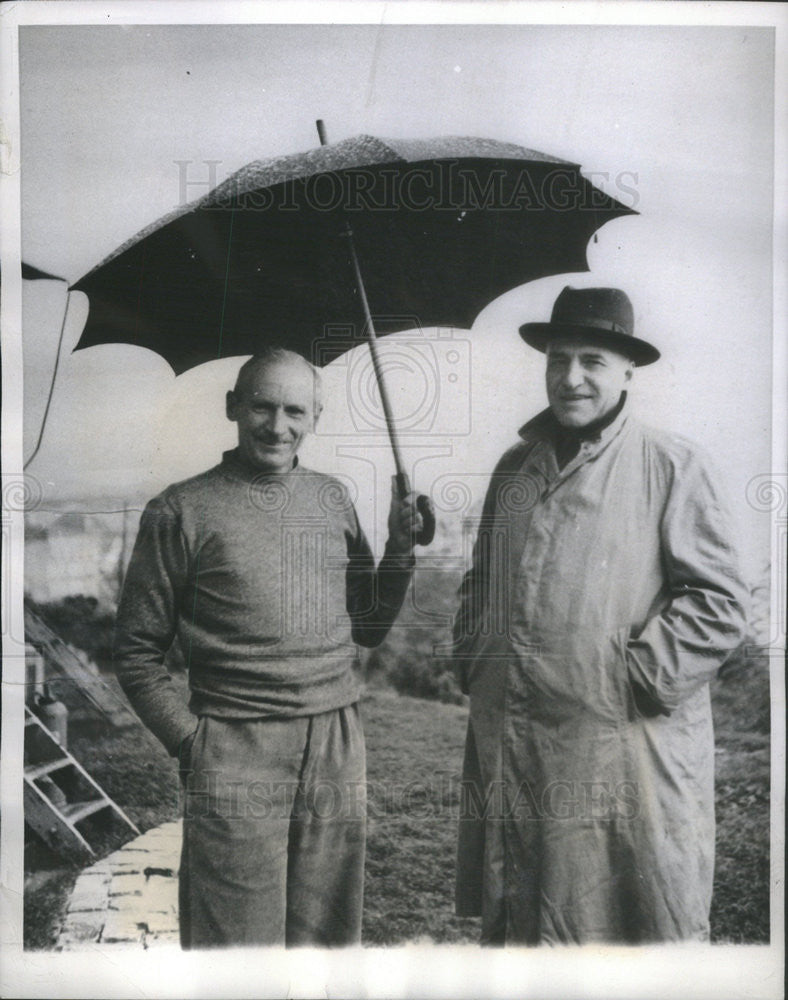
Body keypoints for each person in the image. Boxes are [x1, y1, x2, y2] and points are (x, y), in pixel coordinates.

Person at [453, 286, 748, 944]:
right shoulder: (514, 470)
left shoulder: (673, 465)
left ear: (626, 371)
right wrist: (474, 650)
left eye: (591, 360)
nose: (571, 377)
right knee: (526, 929)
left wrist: (633, 676)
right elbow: (481, 580)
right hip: (515, 745)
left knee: (622, 928)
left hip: (622, 756)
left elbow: (721, 602)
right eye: (558, 359)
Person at [114, 347, 422, 948]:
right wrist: (192, 742)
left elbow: (368, 626)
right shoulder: (180, 510)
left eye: (294, 411)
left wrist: (400, 547)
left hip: (335, 739)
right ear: (233, 406)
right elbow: (135, 652)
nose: (276, 426)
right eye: (261, 406)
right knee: (236, 950)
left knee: (328, 942)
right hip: (235, 743)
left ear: (316, 417)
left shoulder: (332, 498)